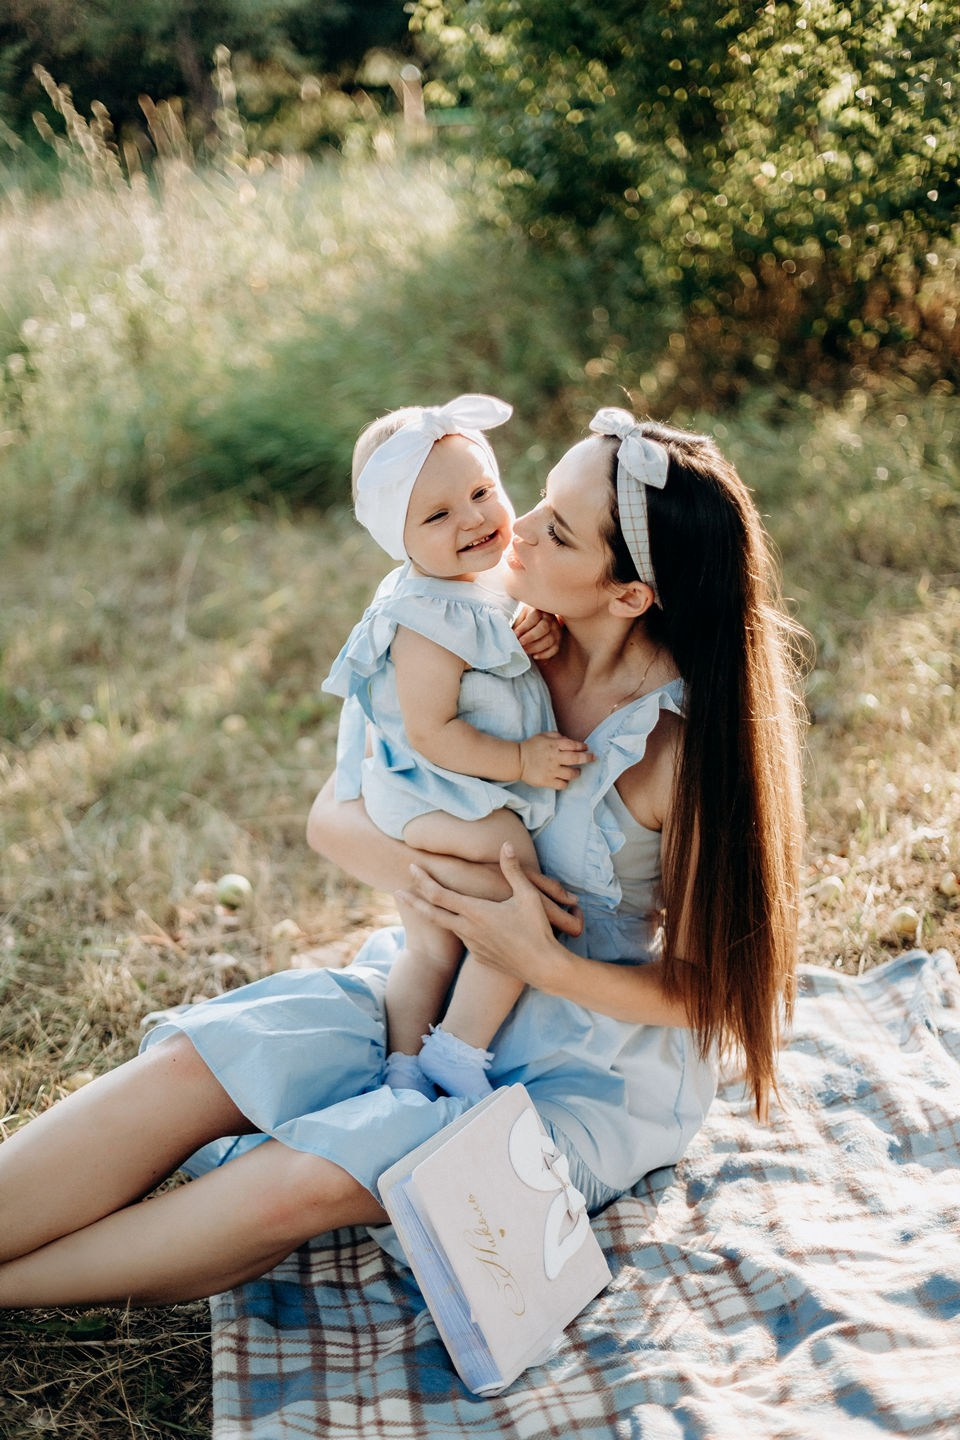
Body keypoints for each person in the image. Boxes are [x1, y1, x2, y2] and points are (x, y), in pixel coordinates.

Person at [0, 406, 804, 1310]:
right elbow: (332, 817)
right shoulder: (478, 626)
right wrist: (446, 893)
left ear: (628, 596)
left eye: (558, 530)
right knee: (212, 1059)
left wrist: (536, 958)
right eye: (536, 499)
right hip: (434, 977)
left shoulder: (679, 749)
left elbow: (713, 993)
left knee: (309, 1175)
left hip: (590, 1068)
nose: (518, 529)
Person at [323, 393, 591, 1103]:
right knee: (518, 892)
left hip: (450, 783)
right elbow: (432, 730)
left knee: (432, 944)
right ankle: (456, 1052)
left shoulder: (485, 582)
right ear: (399, 540)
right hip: (427, 787)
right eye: (439, 516)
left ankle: (402, 1069)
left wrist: (541, 632)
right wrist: (523, 762)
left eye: (481, 492)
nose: (473, 519)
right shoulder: (423, 616)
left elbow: (503, 645)